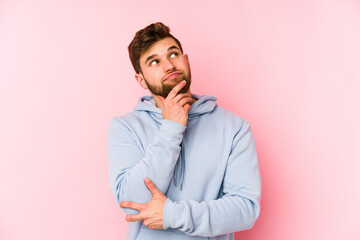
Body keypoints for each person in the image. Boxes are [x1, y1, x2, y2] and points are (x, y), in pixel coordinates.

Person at [107, 22, 261, 240]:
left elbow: (245, 210)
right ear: (140, 79)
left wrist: (172, 214)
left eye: (173, 54)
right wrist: (172, 128)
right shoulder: (125, 127)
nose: (169, 66)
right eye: (154, 61)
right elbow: (132, 205)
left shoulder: (234, 127)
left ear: (186, 60)